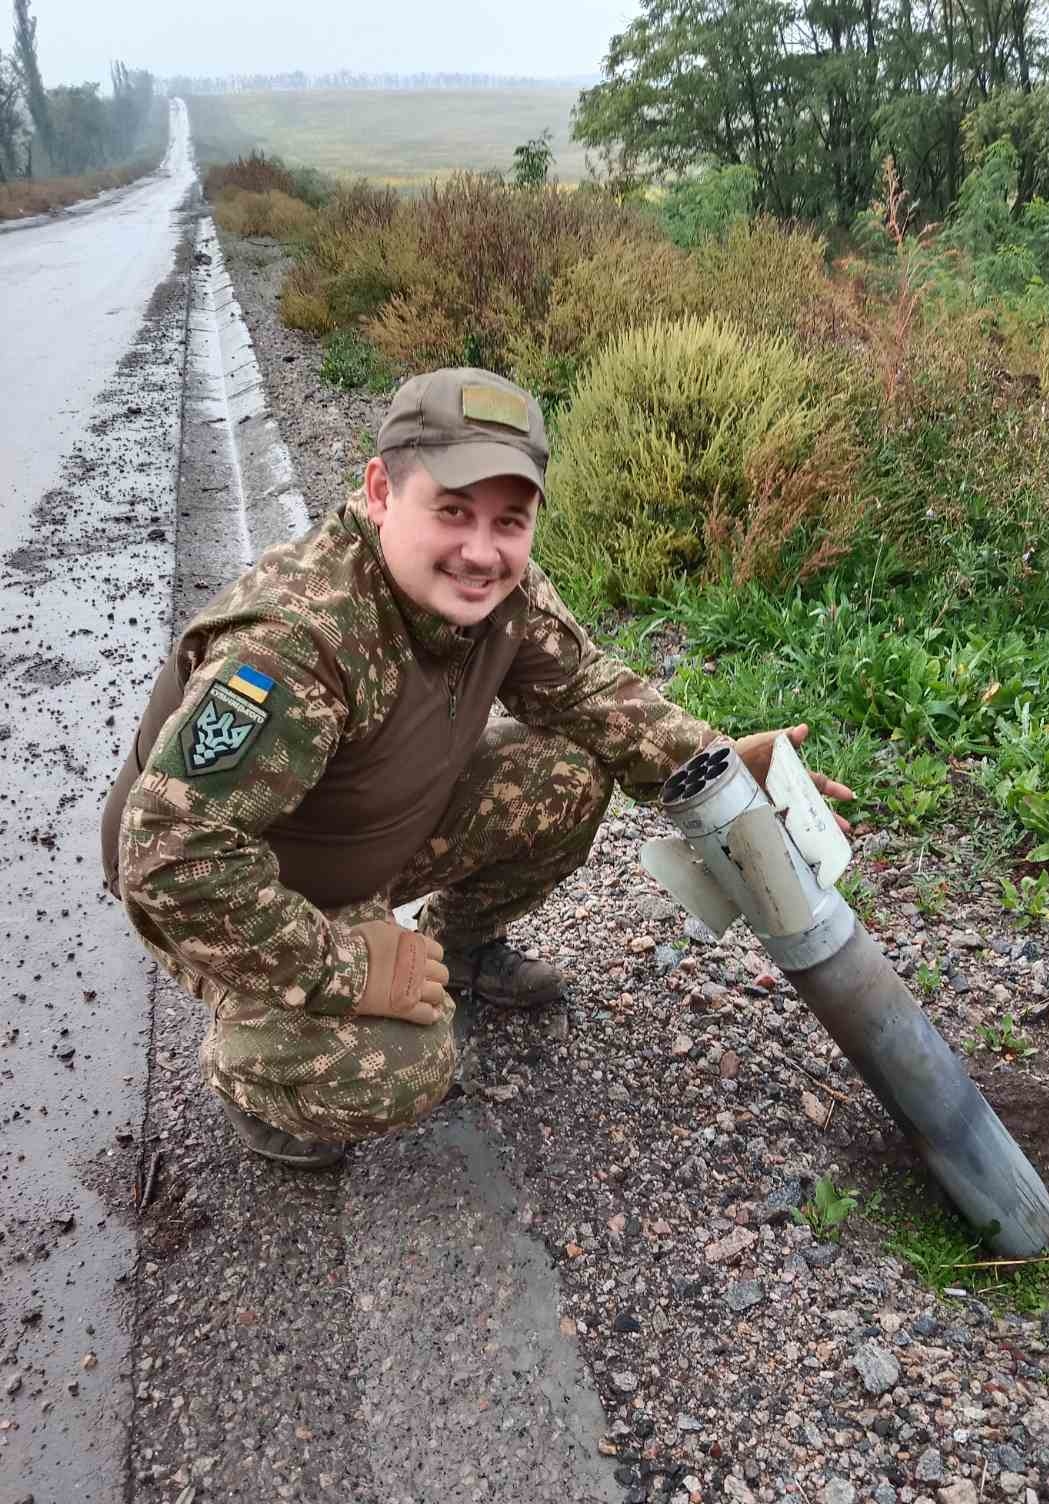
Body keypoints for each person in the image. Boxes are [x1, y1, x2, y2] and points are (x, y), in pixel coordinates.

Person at [101, 367, 852, 1169]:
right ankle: (255, 1067)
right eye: (452, 511)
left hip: (362, 835)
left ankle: (457, 951)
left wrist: (720, 775)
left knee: (566, 771)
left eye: (509, 521)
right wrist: (347, 966)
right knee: (404, 1064)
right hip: (232, 888)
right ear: (382, 490)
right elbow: (168, 859)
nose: (481, 551)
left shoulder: (506, 594)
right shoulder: (297, 642)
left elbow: (591, 693)